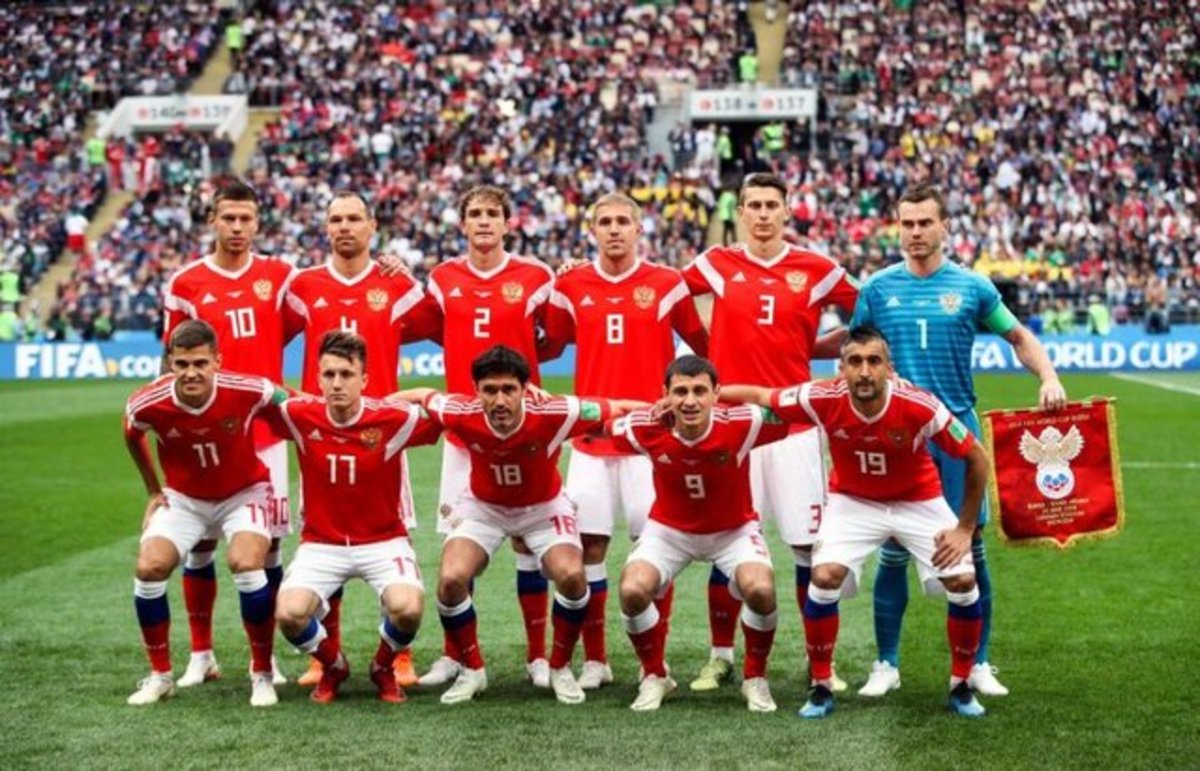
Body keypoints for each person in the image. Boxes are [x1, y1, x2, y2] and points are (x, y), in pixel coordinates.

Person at [851, 183, 1066, 698]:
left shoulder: (972, 287)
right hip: (898, 435)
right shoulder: (877, 289)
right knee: (893, 550)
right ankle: (886, 663)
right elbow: (854, 354)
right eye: (907, 223)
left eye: (925, 222)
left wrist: (1048, 376)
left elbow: (1018, 336)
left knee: (972, 546)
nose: (915, 232)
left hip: (957, 433)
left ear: (945, 226)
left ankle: (978, 664)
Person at [722, 325, 990, 718]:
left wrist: (964, 528)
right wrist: (711, 396)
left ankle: (961, 685)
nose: (865, 371)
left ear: (889, 369)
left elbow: (977, 457)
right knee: (823, 576)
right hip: (852, 502)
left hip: (918, 501)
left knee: (963, 581)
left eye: (874, 361)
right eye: (855, 361)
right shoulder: (820, 397)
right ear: (841, 368)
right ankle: (820, 686)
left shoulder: (919, 405)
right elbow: (764, 396)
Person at [681, 172, 858, 692]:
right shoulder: (715, 263)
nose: (761, 214)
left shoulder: (817, 269)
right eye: (753, 205)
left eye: (770, 205)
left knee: (807, 549)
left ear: (787, 211)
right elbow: (660, 295)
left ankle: (818, 661)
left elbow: (870, 312)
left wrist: (819, 348)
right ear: (740, 212)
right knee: (727, 543)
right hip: (732, 429)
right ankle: (720, 656)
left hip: (794, 428)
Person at [396, 345, 643, 705]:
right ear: (476, 391)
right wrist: (366, 410)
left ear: (525, 390)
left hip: (543, 509)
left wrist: (664, 410)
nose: (499, 400)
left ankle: (559, 667)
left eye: (509, 389)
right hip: (484, 508)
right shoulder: (458, 411)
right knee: (450, 580)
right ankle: (472, 671)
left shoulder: (556, 412)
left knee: (573, 576)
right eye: (489, 390)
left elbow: (617, 408)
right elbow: (420, 395)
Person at [542, 192, 709, 689]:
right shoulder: (570, 284)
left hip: (650, 442)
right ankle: (596, 660)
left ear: (639, 229)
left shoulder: (667, 283)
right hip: (591, 442)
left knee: (653, 547)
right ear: (592, 230)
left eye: (622, 221)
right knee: (589, 547)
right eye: (605, 222)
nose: (614, 229)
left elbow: (701, 345)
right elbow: (549, 343)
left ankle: (652, 660)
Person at [283, 190, 441, 688]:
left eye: (354, 218)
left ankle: (399, 656)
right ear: (326, 228)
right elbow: (270, 335)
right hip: (321, 431)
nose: (345, 227)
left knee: (394, 531)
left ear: (372, 226)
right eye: (336, 219)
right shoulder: (302, 286)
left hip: (383, 433)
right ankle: (323, 656)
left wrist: (411, 278)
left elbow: (442, 326)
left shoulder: (394, 284)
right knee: (324, 535)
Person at [418, 185, 559, 691]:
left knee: (529, 542)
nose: (483, 221)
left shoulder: (537, 276)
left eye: (492, 213)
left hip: (523, 429)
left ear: (507, 222)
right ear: (462, 223)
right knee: (459, 545)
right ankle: (454, 655)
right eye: (474, 213)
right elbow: (433, 328)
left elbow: (555, 336)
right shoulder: (442, 278)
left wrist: (531, 380)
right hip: (465, 430)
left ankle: (538, 656)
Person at [161, 180, 294, 689]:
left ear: (257, 222)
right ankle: (201, 654)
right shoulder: (186, 282)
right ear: (212, 220)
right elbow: (170, 360)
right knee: (200, 546)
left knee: (268, 547)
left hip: (264, 433)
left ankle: (268, 658)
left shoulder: (280, 276)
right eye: (228, 218)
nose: (237, 227)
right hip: (206, 436)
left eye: (246, 219)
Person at [268, 331, 443, 704]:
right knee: (288, 615)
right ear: (318, 379)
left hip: (384, 540)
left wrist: (419, 393)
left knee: (408, 609)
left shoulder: (392, 419)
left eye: (346, 374)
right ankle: (333, 666)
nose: (337, 383)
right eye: (329, 374)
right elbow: (259, 396)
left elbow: (447, 415)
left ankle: (383, 667)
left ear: (364, 380)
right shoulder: (299, 415)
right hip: (322, 543)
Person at [611, 355, 790, 712]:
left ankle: (755, 678)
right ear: (666, 394)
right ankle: (655, 675)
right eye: (680, 392)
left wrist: (740, 394)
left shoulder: (742, 423)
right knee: (632, 590)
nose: (690, 401)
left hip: (733, 530)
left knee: (760, 589)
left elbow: (787, 415)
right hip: (669, 532)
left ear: (715, 394)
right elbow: (607, 427)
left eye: (699, 391)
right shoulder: (646, 427)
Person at [123, 320, 282, 707]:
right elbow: (131, 433)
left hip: (244, 493)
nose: (191, 372)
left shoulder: (246, 389)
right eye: (181, 364)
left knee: (246, 563)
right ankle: (160, 676)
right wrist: (153, 489)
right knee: (148, 568)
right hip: (184, 499)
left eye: (200, 363)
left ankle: (262, 674)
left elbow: (289, 401)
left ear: (217, 362)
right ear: (170, 363)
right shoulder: (147, 402)